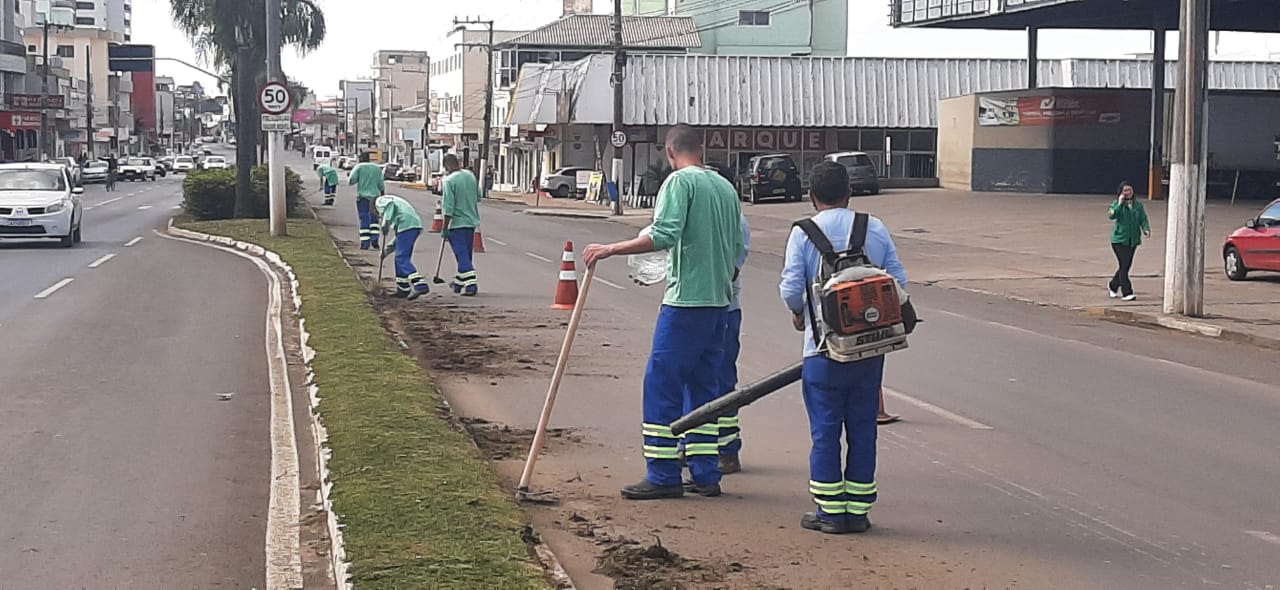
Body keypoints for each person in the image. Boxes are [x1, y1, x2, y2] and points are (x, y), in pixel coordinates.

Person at [583, 125, 746, 500]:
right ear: (700, 149)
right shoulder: (725, 187)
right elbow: (737, 248)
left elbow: (664, 234)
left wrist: (611, 249)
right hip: (719, 303)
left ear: (669, 152)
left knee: (662, 385)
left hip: (686, 301)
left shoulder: (678, 183)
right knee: (704, 391)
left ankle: (663, 472)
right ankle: (706, 473)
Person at [779, 161, 907, 535]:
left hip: (821, 351)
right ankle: (859, 511)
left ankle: (830, 512)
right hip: (869, 350)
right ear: (849, 193)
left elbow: (790, 288)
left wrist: (799, 313)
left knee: (825, 430)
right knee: (864, 428)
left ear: (811, 196)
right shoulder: (874, 227)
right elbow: (898, 282)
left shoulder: (803, 233)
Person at [375, 195, 431, 300]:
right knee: (399, 259)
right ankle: (403, 289)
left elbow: (389, 205)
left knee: (401, 258)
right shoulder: (398, 211)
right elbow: (398, 240)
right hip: (411, 226)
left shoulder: (380, 201)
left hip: (408, 225)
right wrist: (386, 252)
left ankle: (420, 285)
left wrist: (385, 224)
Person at [440, 153, 481, 295]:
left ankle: (471, 285)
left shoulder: (448, 181)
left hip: (456, 224)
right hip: (471, 222)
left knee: (461, 255)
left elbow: (448, 207)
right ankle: (458, 283)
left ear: (446, 165)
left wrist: (444, 227)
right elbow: (478, 196)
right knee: (465, 255)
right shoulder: (470, 175)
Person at [1107, 181, 1150, 301]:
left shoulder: (1138, 205)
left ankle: (1113, 285)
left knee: (1125, 266)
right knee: (1124, 266)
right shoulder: (1117, 204)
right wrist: (1119, 204)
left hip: (1133, 240)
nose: (1128, 193)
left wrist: (1146, 229)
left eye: (1129, 190)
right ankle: (1127, 292)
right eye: (1125, 190)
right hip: (1119, 240)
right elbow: (1112, 215)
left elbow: (1143, 218)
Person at [348, 152, 384, 250]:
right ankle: (375, 240)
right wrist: (382, 196)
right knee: (374, 219)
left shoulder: (359, 167)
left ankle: (365, 243)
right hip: (376, 198)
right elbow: (381, 184)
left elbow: (351, 181)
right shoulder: (377, 168)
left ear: (361, 158)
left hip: (363, 197)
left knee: (364, 219)